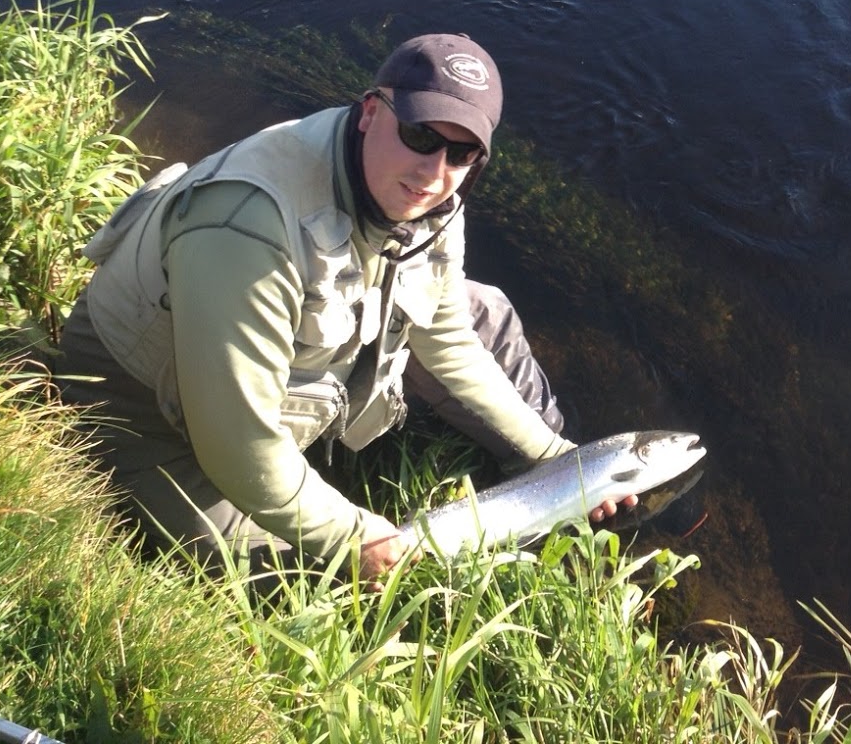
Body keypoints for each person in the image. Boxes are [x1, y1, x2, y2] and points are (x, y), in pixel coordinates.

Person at [53, 33, 632, 580]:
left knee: (486, 313)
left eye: (461, 153)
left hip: (275, 381)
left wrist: (560, 459)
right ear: (371, 111)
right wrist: (354, 537)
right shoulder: (249, 225)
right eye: (421, 136)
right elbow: (238, 447)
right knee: (304, 577)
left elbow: (448, 338)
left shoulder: (430, 192)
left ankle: (553, 495)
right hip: (148, 410)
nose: (434, 173)